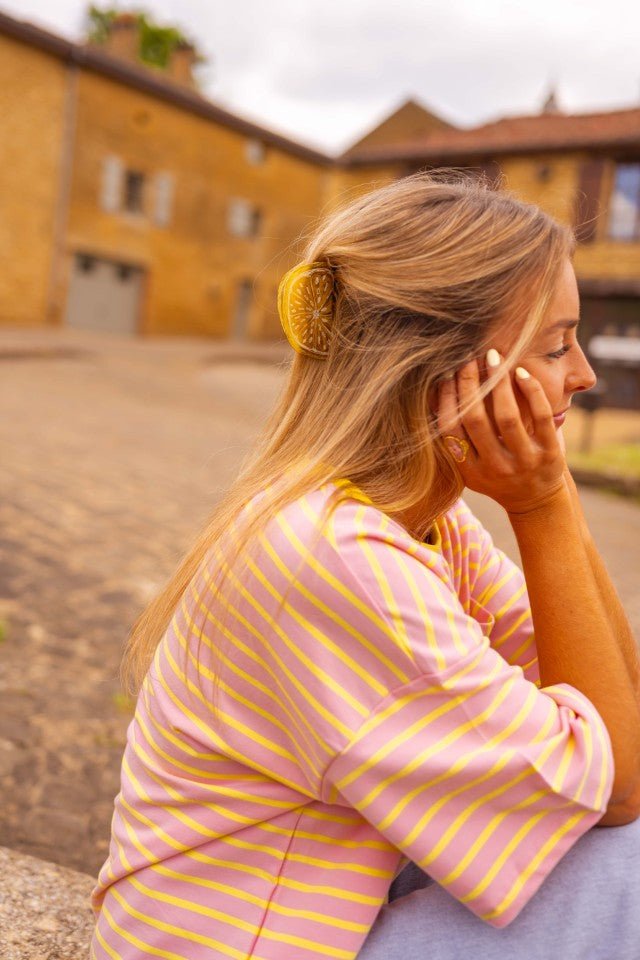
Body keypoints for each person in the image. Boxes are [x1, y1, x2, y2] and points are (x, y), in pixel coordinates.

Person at [89, 172, 640, 960]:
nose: (584, 375)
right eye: (556, 346)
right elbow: (618, 789)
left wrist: (556, 499)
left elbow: (608, 704)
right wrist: (543, 505)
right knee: (631, 863)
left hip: (324, 914)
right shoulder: (333, 556)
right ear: (447, 369)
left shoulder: (427, 522)